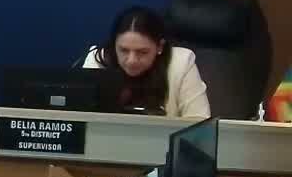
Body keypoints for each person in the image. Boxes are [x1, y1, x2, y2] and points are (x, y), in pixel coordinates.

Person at [81, 6, 211, 118]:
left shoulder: (181, 62)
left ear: (159, 47)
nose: (131, 61)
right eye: (124, 50)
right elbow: (81, 120)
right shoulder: (98, 60)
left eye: (142, 52)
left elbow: (199, 121)